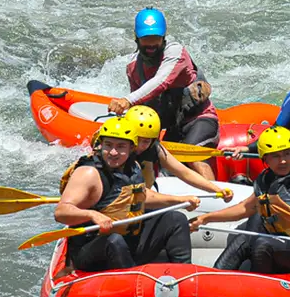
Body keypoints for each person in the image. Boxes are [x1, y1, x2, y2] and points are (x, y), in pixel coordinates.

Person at [190, 127, 290, 287]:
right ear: (265, 159)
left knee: (262, 244)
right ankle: (214, 282)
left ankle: (257, 290)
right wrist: (204, 219)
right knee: (244, 237)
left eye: (287, 154)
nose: (283, 161)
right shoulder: (266, 179)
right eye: (276, 156)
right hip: (281, 241)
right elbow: (244, 209)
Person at [55, 116, 200, 272]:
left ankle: (184, 276)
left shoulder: (133, 166)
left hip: (129, 241)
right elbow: (61, 212)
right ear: (100, 144)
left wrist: (179, 200)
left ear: (132, 148)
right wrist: (92, 215)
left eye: (121, 146)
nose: (113, 152)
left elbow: (141, 196)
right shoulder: (88, 173)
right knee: (114, 240)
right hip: (92, 249)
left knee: (176, 219)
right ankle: (131, 283)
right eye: (108, 145)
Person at [108, 8, 219, 180]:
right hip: (172, 128)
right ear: (136, 38)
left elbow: (162, 81)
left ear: (164, 37)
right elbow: (140, 108)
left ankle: (217, 198)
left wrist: (127, 100)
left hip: (199, 119)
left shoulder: (175, 52)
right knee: (156, 159)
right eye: (146, 39)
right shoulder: (133, 67)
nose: (151, 44)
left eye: (156, 39)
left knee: (193, 155)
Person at [123, 105, 233, 204]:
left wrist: (216, 189)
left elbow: (184, 172)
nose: (141, 146)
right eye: (137, 140)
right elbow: (137, 194)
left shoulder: (154, 148)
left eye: (146, 141)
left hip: (140, 204)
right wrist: (181, 200)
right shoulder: (117, 154)